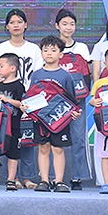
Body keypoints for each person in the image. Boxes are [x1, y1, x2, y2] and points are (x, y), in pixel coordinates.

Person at [0, 8, 43, 189]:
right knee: (6, 137)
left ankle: (26, 177)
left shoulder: (34, 49)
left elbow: (39, 76)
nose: (16, 25)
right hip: (7, 102)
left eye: (19, 21)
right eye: (12, 22)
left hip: (29, 99)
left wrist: (29, 99)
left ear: (26, 24)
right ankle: (12, 178)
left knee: (26, 139)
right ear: (7, 26)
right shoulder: (1, 48)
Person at [26, 36, 80, 193]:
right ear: (41, 53)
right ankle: (44, 180)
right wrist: (26, 106)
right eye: (45, 50)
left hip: (59, 120)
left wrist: (75, 113)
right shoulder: (36, 75)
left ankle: (59, 181)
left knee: (58, 149)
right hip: (41, 119)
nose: (49, 53)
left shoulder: (66, 76)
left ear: (61, 54)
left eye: (53, 50)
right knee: (43, 148)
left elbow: (72, 100)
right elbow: (31, 96)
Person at [54, 8, 92, 190]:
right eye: (64, 24)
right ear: (57, 26)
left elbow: (88, 74)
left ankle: (77, 177)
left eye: (72, 24)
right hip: (56, 102)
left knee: (78, 138)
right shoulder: (51, 46)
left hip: (78, 101)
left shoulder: (82, 48)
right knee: (55, 139)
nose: (68, 28)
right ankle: (55, 177)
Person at [0, 53, 26, 191]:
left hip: (13, 125)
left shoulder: (19, 86)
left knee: (13, 154)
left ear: (13, 68)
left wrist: (8, 100)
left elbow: (22, 104)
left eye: (1, 66)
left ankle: (11, 180)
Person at [89, 50, 108, 195]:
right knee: (106, 155)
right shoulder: (99, 83)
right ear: (105, 64)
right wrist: (94, 101)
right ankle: (106, 183)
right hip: (104, 125)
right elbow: (91, 100)